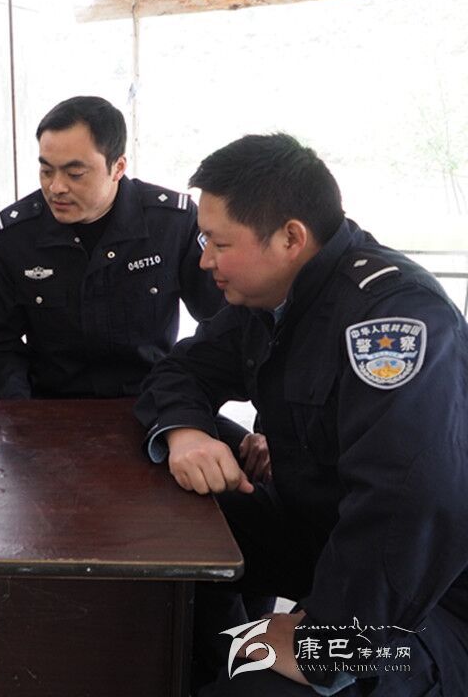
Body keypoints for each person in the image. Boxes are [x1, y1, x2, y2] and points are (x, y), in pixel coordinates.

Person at [135, 133, 468, 696]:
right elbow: (180, 371)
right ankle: (207, 656)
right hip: (324, 538)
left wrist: (327, 641)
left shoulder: (392, 319)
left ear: (291, 237)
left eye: (219, 242)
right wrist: (188, 435)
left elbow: (411, 501)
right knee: (168, 512)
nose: (204, 259)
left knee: (255, 689)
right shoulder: (271, 298)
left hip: (421, 602)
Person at [0, 96, 227, 400]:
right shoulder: (14, 235)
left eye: (75, 174)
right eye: (46, 171)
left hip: (153, 399)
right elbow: (1, 346)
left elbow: (221, 320)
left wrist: (184, 389)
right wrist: (20, 413)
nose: (56, 187)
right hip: (52, 405)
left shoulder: (171, 223)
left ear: (118, 167)